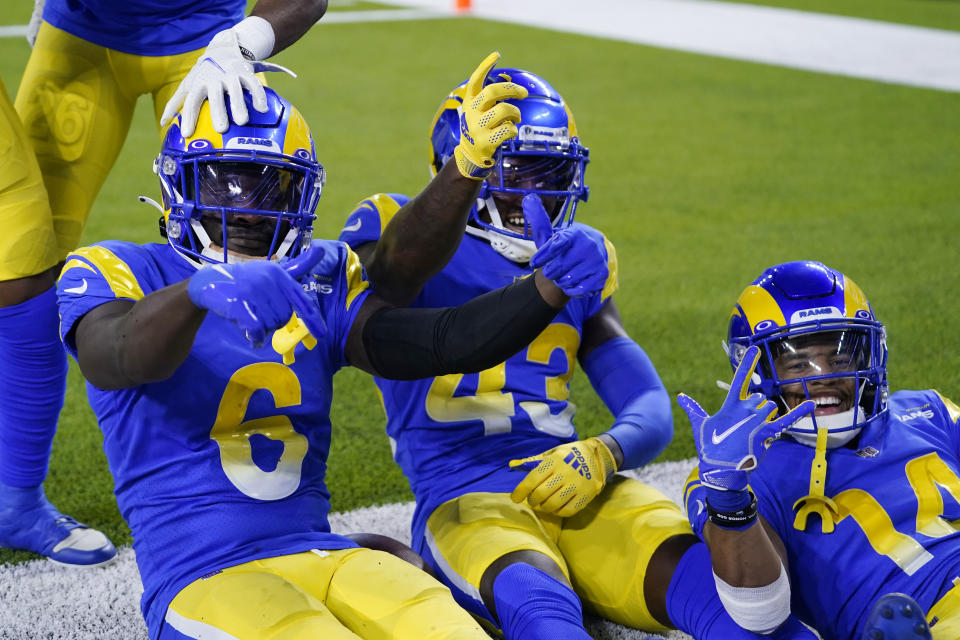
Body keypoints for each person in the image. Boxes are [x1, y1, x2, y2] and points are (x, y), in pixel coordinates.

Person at [55, 54, 617, 638]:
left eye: (274, 184)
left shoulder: (319, 274)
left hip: (322, 553)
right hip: (206, 574)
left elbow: (446, 342)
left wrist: (548, 288)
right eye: (227, 178)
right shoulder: (117, 267)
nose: (248, 205)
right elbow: (114, 354)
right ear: (178, 179)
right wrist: (195, 293)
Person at [339, 67, 819, 639]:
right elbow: (391, 272)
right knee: (544, 618)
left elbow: (647, 401)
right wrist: (461, 174)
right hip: (466, 498)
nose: (538, 192)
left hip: (580, 483)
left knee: (737, 610)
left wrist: (604, 451)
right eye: (518, 170)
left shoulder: (573, 256)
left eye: (553, 172)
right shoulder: (392, 222)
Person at [0, 0, 326, 565]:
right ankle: (15, 495)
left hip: (207, 38)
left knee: (250, 224)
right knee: (17, 268)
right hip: (81, 35)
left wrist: (244, 40)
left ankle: (235, 487)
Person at [680, 260, 955, 639]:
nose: (825, 376)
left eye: (840, 358)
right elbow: (762, 614)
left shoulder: (928, 409)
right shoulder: (737, 473)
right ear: (755, 372)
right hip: (931, 617)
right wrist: (728, 498)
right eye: (798, 364)